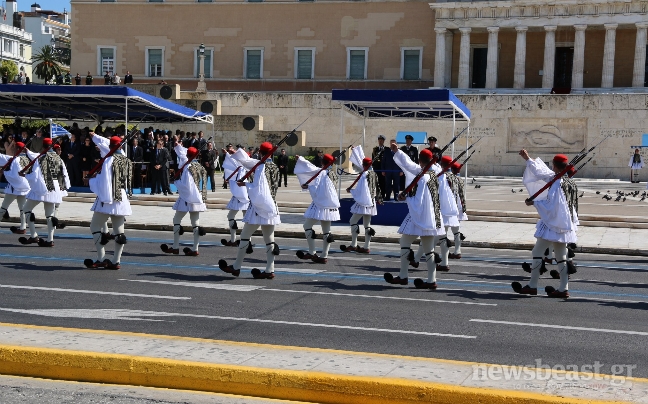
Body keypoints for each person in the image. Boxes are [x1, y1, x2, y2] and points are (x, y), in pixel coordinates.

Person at [512, 151, 576, 298]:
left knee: (537, 253)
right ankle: (563, 289)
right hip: (564, 224)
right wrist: (528, 159)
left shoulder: (558, 182)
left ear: (554, 166)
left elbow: (552, 205)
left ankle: (532, 286)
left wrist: (534, 203)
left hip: (553, 223)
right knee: (561, 256)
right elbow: (542, 172)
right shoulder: (568, 181)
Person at [383, 145, 444, 289]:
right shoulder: (433, 175)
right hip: (432, 217)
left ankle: (403, 276)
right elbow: (409, 164)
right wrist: (398, 152)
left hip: (421, 216)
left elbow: (418, 202)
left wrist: (405, 198)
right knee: (429, 249)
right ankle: (431, 280)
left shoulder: (422, 178)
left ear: (420, 161)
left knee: (404, 242)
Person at [218, 142, 281, 279]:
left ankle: (236, 267)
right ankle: (270, 270)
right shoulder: (274, 167)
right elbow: (248, 162)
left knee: (245, 236)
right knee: (269, 239)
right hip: (272, 206)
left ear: (261, 152)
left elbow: (259, 189)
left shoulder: (261, 167)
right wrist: (235, 153)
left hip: (259, 207)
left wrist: (244, 184)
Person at [84, 134, 133, 270]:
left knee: (94, 226)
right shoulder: (125, 159)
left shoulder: (109, 160)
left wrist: (91, 181)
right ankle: (116, 261)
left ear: (110, 147)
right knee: (119, 232)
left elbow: (104, 182)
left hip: (108, 198)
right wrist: (97, 138)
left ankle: (101, 257)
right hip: (121, 198)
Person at [19, 138, 70, 247]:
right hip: (54, 188)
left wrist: (25, 175)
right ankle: (50, 240)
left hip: (42, 186)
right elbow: (64, 173)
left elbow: (35, 175)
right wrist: (62, 187)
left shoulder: (41, 158)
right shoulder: (58, 158)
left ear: (43, 146)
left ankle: (34, 235)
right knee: (50, 215)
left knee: (27, 209)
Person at [160, 145, 207, 256]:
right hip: (198, 198)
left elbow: (187, 185)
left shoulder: (188, 167)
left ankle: (176, 247)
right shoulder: (198, 166)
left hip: (187, 197)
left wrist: (176, 182)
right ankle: (195, 249)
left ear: (187, 155)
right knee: (195, 224)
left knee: (176, 220)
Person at [294, 153, 340, 264]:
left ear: (322, 162)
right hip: (330, 205)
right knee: (326, 231)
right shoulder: (333, 173)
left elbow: (310, 170)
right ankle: (324, 256)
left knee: (307, 226)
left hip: (321, 205)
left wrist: (300, 158)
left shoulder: (322, 172)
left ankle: (312, 251)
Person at [340, 146, 382, 254]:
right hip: (371, 202)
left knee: (353, 221)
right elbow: (377, 187)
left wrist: (351, 191)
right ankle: (366, 246)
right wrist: (379, 198)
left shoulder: (364, 175)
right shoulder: (373, 174)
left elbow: (361, 190)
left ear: (364, 165)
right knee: (367, 225)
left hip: (363, 202)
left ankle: (354, 244)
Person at [221, 145, 250, 247]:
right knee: (246, 218)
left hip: (241, 195)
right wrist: (227, 153)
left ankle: (234, 240)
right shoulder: (243, 166)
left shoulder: (242, 165)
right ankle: (247, 241)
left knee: (231, 216)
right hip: (245, 195)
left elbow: (236, 159)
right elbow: (232, 162)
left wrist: (229, 153)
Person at [0, 141, 31, 234]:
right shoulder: (28, 159)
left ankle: (23, 227)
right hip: (25, 187)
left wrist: (4, 172)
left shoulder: (14, 159)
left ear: (17, 149)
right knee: (22, 208)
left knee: (3, 208)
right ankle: (23, 227)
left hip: (14, 188)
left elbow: (14, 175)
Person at [448, 162, 467, 259]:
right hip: (459, 207)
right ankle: (457, 250)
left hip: (452, 207)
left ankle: (444, 252)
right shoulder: (460, 179)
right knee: (456, 230)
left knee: (444, 231)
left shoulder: (450, 178)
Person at [372, 135, 387, 199]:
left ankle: (383, 195)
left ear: (383, 141)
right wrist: (374, 167)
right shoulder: (375, 149)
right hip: (377, 169)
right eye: (379, 140)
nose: (380, 141)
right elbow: (373, 159)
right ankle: (378, 195)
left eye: (381, 140)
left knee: (383, 182)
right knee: (377, 183)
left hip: (383, 169)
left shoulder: (386, 149)